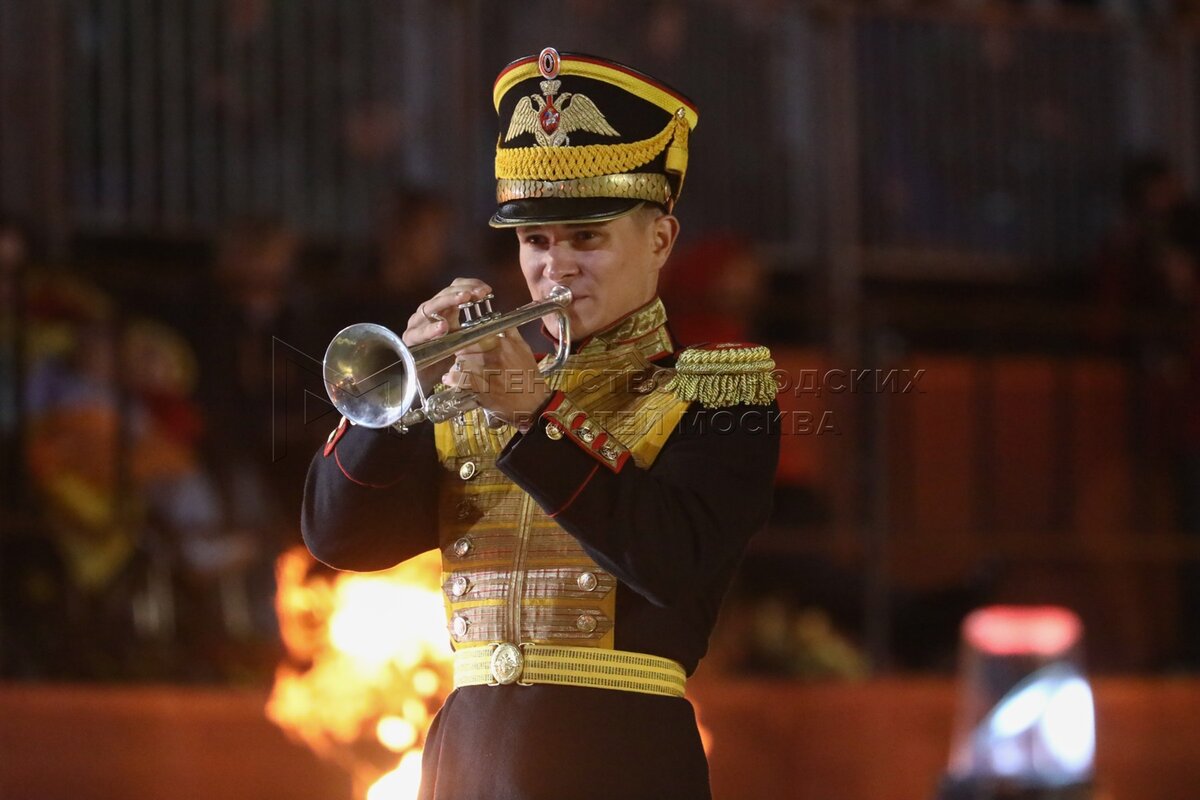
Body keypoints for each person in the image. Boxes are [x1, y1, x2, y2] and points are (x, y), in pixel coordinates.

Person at [302, 48, 780, 799]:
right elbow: (340, 540)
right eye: (535, 242)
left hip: (618, 765)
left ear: (660, 240)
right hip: (464, 765)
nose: (555, 269)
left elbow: (670, 559)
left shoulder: (720, 394)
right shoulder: (475, 396)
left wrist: (537, 416)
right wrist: (399, 403)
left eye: (586, 238)